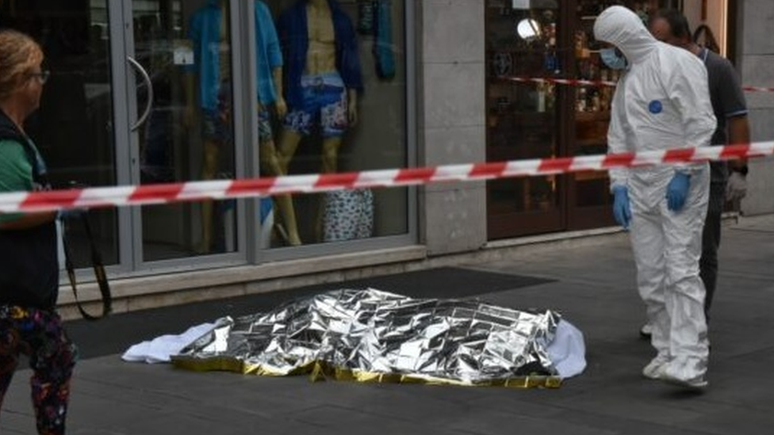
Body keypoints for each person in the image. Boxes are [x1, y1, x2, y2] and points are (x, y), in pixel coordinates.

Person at [594, 6, 716, 389]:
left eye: (608, 45)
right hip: (643, 187)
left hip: (681, 184)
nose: (606, 53)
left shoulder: (677, 64)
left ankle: (691, 359)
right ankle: (665, 349)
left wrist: (684, 173)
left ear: (624, 38)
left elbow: (700, 122)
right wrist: (620, 185)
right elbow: (619, 138)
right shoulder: (627, 82)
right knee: (651, 274)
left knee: (681, 270)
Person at [644, 9, 750, 334]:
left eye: (663, 41)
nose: (657, 48)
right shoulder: (659, 69)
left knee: (702, 251)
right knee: (663, 251)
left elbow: (737, 118)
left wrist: (739, 169)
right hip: (664, 173)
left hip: (709, 175)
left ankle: (696, 318)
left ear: (683, 38)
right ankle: (665, 315)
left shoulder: (717, 68)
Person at [0, 29, 78, 434]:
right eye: (37, 75)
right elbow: (7, 211)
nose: (42, 83)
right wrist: (57, 207)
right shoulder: (5, 143)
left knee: (52, 358)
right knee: (57, 358)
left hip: (18, 294)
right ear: (17, 81)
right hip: (15, 296)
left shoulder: (13, 135)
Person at [185, 0, 302, 251]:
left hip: (252, 93)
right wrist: (189, 105)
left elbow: (274, 52)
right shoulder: (203, 17)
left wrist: (278, 94)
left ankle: (293, 233)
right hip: (215, 95)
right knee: (210, 161)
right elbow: (190, 64)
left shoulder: (257, 9)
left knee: (270, 160)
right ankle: (206, 238)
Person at [276, 0, 364, 241]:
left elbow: (349, 58)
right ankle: (283, 225)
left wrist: (353, 99)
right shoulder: (291, 16)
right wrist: (278, 93)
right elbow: (277, 55)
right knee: (281, 157)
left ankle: (322, 229)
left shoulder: (340, 19)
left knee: (330, 157)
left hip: (334, 86)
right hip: (301, 87)